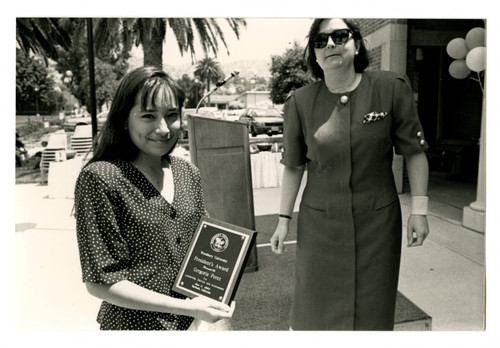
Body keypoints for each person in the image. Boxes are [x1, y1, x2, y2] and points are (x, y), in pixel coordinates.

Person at [270, 18, 430, 330]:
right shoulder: (299, 102)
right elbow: (293, 166)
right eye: (320, 40)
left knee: (373, 310)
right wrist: (282, 220)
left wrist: (420, 211)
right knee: (313, 310)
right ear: (314, 54)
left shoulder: (390, 88)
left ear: (356, 43)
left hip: (377, 225)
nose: (330, 44)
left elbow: (414, 152)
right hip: (320, 226)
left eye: (340, 36)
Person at [74, 66, 234, 330]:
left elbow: (204, 249)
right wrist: (185, 307)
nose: (163, 128)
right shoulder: (101, 177)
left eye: (171, 115)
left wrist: (220, 292)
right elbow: (101, 282)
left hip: (197, 325)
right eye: (148, 116)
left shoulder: (187, 172)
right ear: (124, 119)